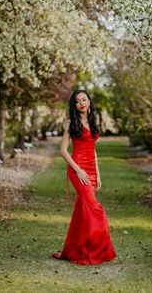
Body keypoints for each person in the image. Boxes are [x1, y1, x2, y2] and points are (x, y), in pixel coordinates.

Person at [51, 89, 116, 265]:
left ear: (89, 102)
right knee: (95, 208)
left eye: (84, 99)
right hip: (77, 169)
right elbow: (63, 150)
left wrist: (98, 174)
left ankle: (76, 250)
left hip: (91, 170)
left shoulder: (93, 121)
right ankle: (98, 248)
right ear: (74, 104)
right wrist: (78, 170)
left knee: (82, 211)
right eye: (78, 100)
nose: (81, 103)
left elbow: (92, 149)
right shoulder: (71, 122)